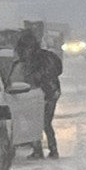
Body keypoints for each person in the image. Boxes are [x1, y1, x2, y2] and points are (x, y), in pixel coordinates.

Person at [14, 29, 63, 159]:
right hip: (51, 92)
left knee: (38, 122)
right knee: (44, 122)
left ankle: (41, 150)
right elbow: (59, 69)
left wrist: (42, 84)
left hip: (44, 93)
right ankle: (51, 149)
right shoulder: (48, 56)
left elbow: (38, 76)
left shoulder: (34, 61)